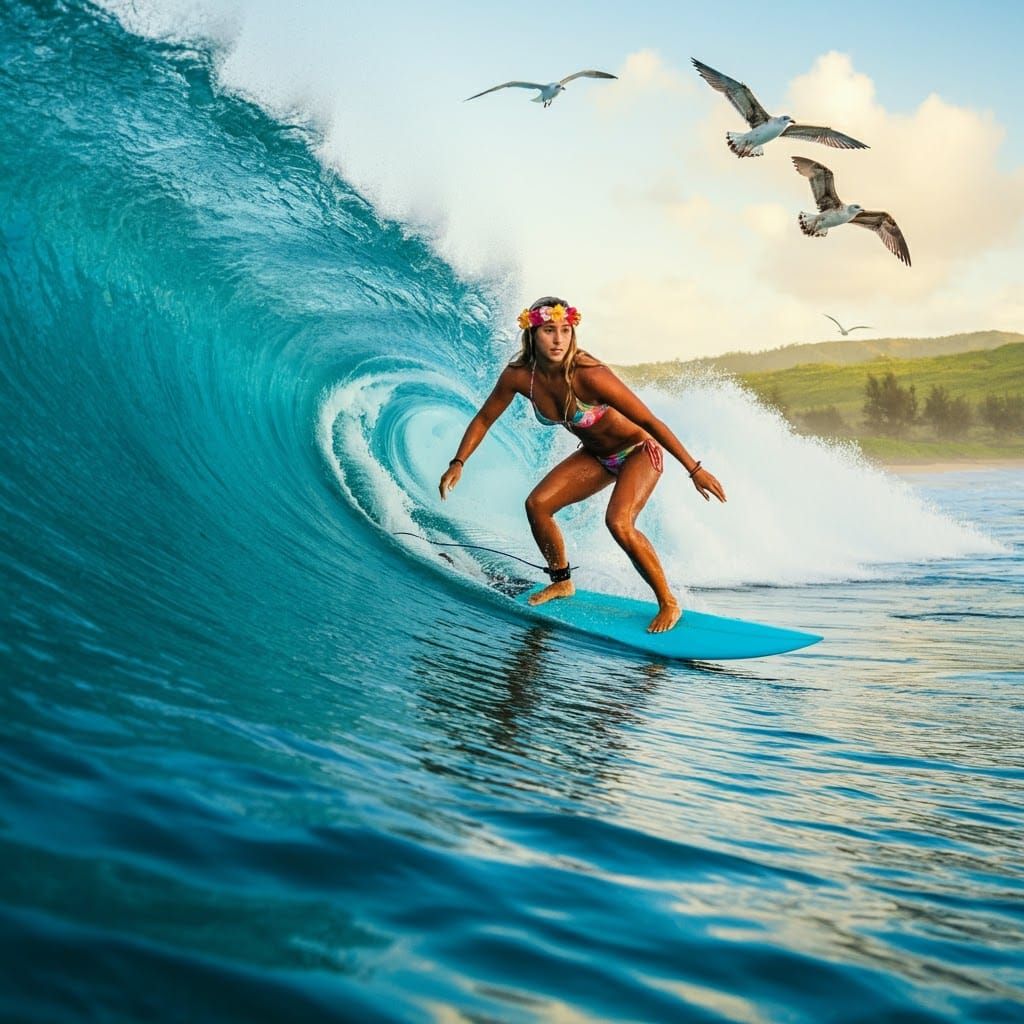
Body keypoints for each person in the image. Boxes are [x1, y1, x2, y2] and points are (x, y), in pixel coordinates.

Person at [438, 296, 726, 633]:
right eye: (549, 330)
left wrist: (694, 469)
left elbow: (649, 420)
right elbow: (485, 418)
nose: (559, 339)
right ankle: (561, 580)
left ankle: (668, 603)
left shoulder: (589, 374)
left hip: (637, 452)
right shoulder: (519, 376)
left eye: (565, 330)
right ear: (533, 334)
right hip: (597, 456)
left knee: (618, 522)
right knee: (538, 504)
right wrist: (459, 462)